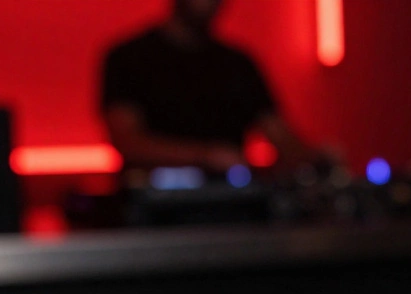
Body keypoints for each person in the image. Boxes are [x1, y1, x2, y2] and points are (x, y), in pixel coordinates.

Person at [100, 0, 319, 172]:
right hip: (155, 206)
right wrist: (205, 156)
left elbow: (279, 135)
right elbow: (128, 143)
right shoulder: (129, 58)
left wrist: (317, 156)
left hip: (235, 202)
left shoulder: (238, 64)